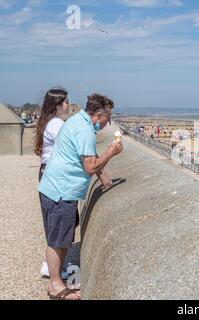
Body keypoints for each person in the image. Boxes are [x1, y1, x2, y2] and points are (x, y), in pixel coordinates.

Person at [39, 93, 123, 300]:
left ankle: (56, 281)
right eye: (108, 116)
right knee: (58, 241)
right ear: (99, 114)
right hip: (61, 191)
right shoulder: (85, 130)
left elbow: (87, 155)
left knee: (59, 238)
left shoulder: (77, 120)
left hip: (54, 187)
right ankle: (56, 286)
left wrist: (104, 179)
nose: (109, 121)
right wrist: (111, 152)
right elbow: (90, 165)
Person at [34, 86, 70, 279]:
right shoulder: (56, 124)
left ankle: (52, 267)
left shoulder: (47, 121)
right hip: (54, 177)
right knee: (58, 223)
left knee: (54, 223)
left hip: (47, 173)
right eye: (65, 102)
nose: (67, 105)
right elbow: (71, 146)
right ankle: (53, 273)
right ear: (56, 105)